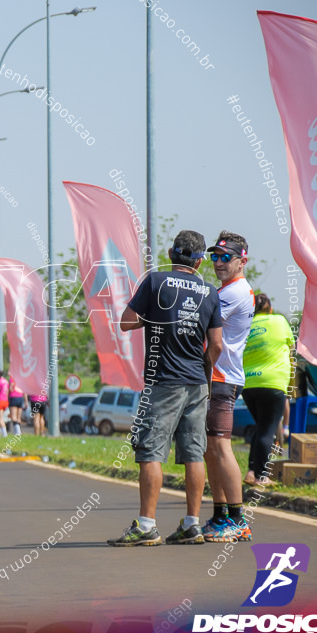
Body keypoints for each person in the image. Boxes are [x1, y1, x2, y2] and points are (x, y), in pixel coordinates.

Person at [108, 230, 223, 546]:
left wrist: (155, 319)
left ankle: (146, 525)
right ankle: (192, 524)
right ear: (200, 261)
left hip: (163, 382)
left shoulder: (156, 282)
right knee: (194, 454)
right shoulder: (210, 292)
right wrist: (203, 371)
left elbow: (126, 322)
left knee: (150, 451)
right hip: (197, 384)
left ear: (172, 254)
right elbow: (216, 344)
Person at [202, 232, 255, 543]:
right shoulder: (227, 290)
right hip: (216, 378)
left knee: (221, 447)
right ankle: (221, 515)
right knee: (211, 450)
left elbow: (198, 323)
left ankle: (238, 519)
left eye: (226, 257)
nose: (218, 263)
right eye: (214, 256)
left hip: (222, 379)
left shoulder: (233, 293)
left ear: (242, 261)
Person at [242, 294, 294, 486]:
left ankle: (250, 472)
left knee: (261, 428)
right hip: (273, 383)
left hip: (248, 385)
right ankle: (261, 477)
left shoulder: (246, 325)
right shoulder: (279, 321)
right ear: (270, 309)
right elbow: (291, 346)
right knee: (267, 432)